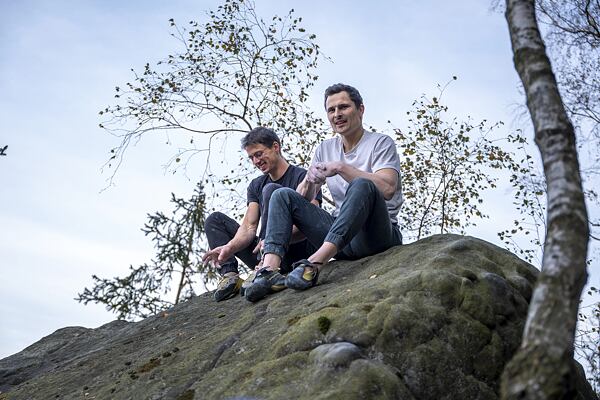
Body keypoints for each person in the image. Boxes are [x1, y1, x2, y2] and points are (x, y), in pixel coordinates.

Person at [246, 83, 403, 302]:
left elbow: (387, 188)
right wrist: (309, 181)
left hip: (376, 235)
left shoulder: (380, 143)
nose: (337, 114)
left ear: (360, 109)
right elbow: (301, 200)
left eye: (343, 107)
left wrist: (341, 168)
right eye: (331, 110)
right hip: (343, 240)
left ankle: (315, 263)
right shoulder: (325, 149)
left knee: (361, 185)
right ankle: (268, 271)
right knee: (281, 194)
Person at [203, 127, 321, 302]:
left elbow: (311, 223)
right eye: (251, 157)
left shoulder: (303, 177)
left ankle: (267, 267)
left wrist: (274, 240)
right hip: (264, 250)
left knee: (271, 190)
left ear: (276, 147)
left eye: (258, 154)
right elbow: (249, 227)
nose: (255, 161)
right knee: (215, 220)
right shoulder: (256, 185)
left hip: (297, 250)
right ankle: (230, 277)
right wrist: (230, 247)